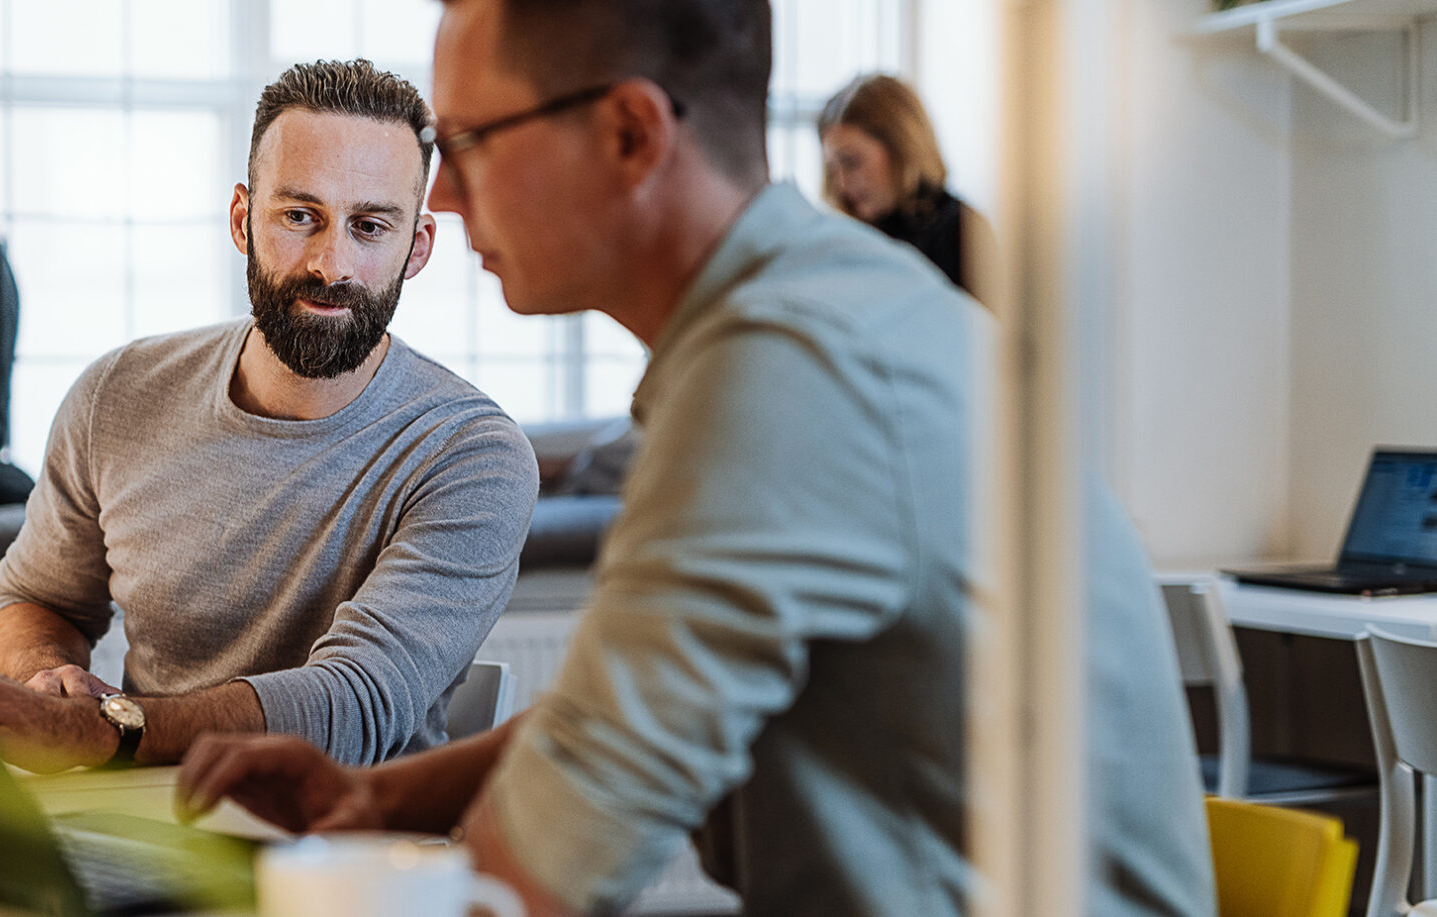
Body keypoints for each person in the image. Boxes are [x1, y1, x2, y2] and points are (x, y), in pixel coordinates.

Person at [176, 3, 1214, 916]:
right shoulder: (810, 305)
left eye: (473, 140)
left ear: (631, 132)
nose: (440, 201)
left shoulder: (787, 370)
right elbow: (613, 715)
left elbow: (526, 883)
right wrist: (378, 798)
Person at [0, 59, 540, 774]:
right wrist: (47, 677)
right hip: (138, 823)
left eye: (370, 226)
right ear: (242, 219)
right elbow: (36, 599)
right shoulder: (117, 394)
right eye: (300, 216)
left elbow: (352, 705)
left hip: (348, 850)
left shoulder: (473, 455)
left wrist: (100, 731)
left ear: (415, 248)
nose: (331, 263)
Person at [819, 73, 993, 303]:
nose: (841, 183)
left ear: (900, 148)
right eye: (832, 169)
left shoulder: (960, 231)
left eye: (852, 162)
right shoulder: (851, 235)